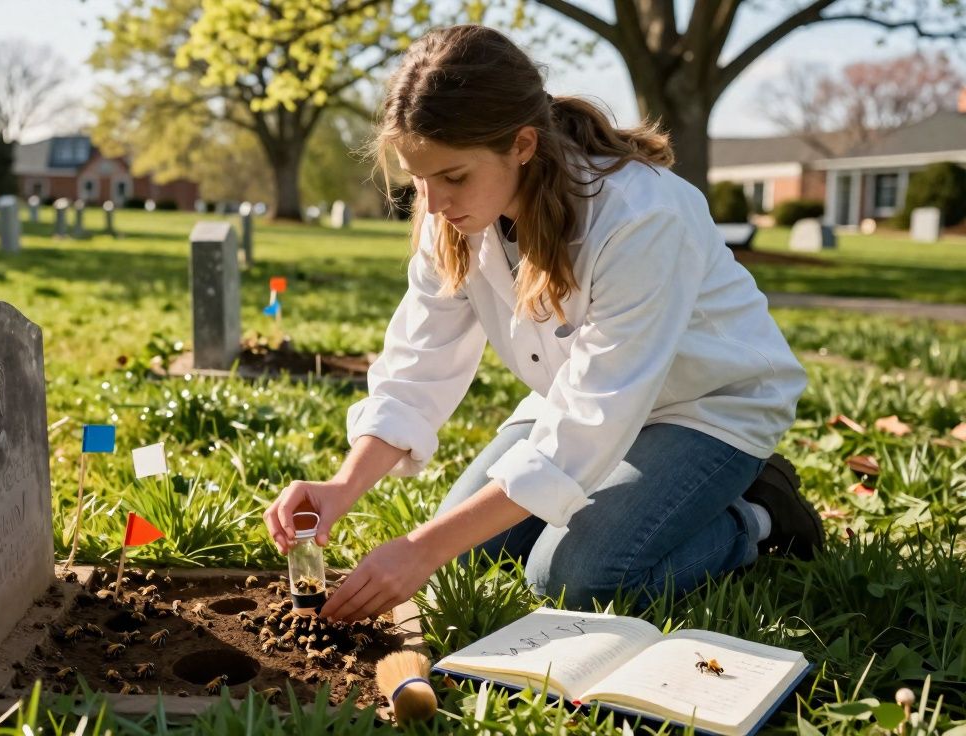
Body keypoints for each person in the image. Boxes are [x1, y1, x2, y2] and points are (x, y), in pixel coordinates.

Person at [262, 24, 824, 623]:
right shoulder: (449, 215)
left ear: (523, 144)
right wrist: (341, 487)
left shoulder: (642, 217)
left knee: (574, 579)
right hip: (577, 400)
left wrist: (419, 548)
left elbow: (593, 418)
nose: (434, 202)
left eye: (453, 177)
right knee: (465, 558)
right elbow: (417, 365)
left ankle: (757, 516)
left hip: (704, 410)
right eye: (417, 179)